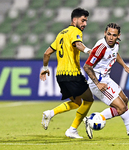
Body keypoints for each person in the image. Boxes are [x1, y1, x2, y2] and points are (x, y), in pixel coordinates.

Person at [83, 23, 129, 139]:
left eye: (114, 35)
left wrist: (124, 65)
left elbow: (114, 53)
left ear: (118, 36)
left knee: (124, 100)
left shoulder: (115, 44)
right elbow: (87, 67)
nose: (111, 37)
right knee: (121, 108)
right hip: (97, 82)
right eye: (108, 34)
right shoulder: (100, 48)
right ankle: (91, 120)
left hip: (106, 79)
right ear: (104, 33)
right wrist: (97, 83)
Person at [40, 8, 94, 139]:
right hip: (72, 74)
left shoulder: (60, 34)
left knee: (76, 102)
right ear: (74, 20)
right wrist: (89, 50)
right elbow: (77, 44)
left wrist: (45, 67)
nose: (84, 24)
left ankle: (50, 113)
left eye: (86, 21)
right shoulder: (75, 31)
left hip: (60, 75)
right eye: (83, 20)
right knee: (89, 99)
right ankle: (72, 130)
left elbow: (47, 53)